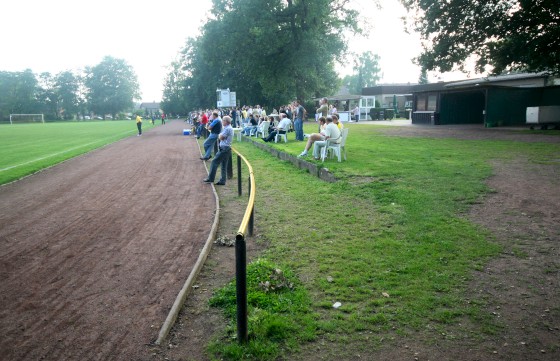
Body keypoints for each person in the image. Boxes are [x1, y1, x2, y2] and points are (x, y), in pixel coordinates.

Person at [203, 116, 234, 186]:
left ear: (226, 121)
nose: (222, 122)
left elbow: (221, 137)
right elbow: (221, 137)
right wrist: (220, 135)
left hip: (224, 149)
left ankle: (211, 178)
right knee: (223, 165)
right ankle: (222, 181)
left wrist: (220, 135)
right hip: (226, 148)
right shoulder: (227, 128)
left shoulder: (227, 129)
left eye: (223, 120)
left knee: (214, 162)